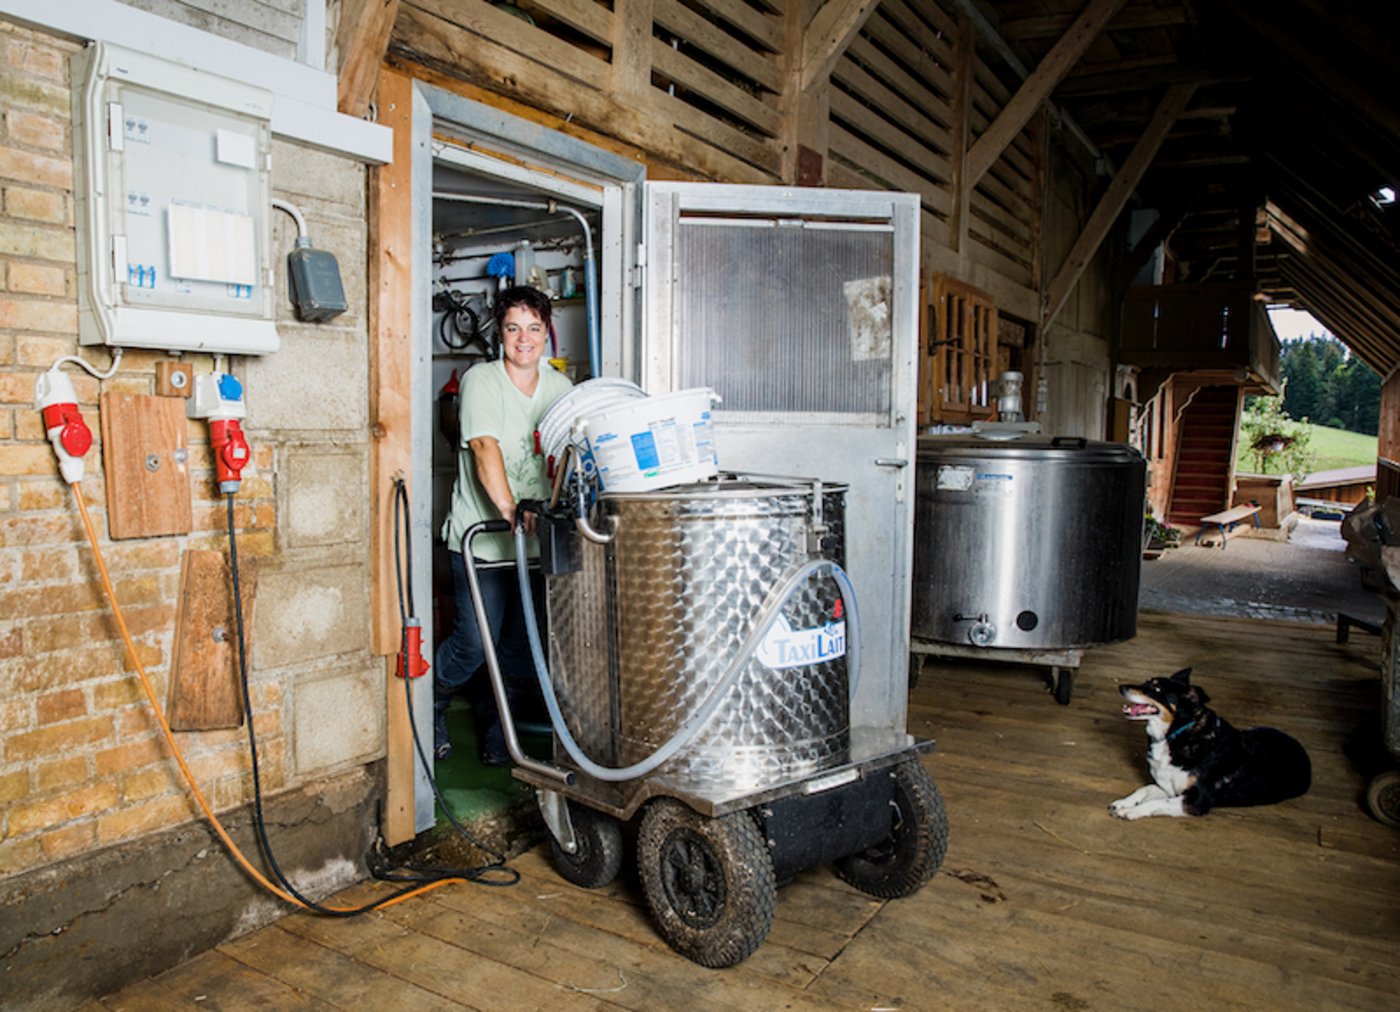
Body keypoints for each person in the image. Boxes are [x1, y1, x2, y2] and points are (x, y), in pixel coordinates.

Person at [435, 285, 572, 765]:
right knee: (475, 643)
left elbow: (569, 457)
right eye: (514, 328)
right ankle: (432, 700)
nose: (524, 339)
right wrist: (511, 511)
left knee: (518, 649)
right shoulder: (483, 381)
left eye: (534, 328)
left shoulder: (561, 390)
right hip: (485, 542)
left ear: (546, 334)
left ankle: (500, 734)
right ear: (501, 334)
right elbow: (485, 448)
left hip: (535, 545)